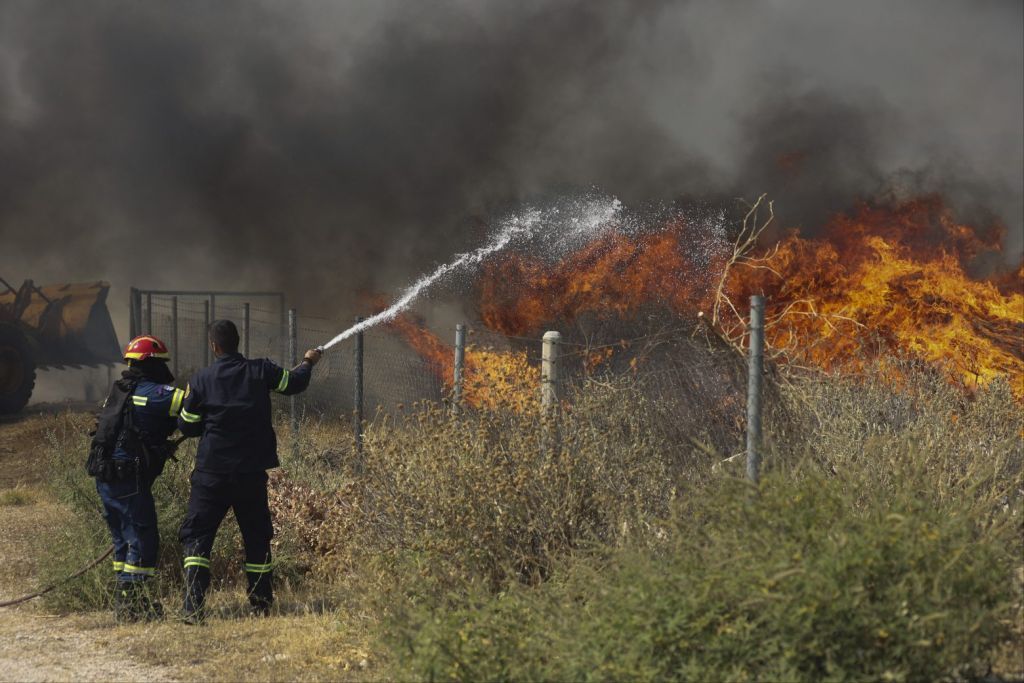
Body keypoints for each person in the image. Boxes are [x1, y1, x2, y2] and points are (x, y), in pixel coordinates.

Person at [177, 319, 321, 623]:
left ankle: (192, 608)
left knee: (198, 537)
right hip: (250, 474)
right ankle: (261, 605)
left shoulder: (201, 379)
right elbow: (295, 383)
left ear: (214, 346)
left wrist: (207, 423)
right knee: (256, 537)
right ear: (237, 342)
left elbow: (187, 425)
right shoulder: (260, 370)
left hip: (212, 474)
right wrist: (308, 362)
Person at [88, 335, 185, 621]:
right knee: (142, 539)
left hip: (105, 476)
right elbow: (192, 405)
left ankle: (125, 602)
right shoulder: (156, 392)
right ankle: (134, 608)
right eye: (161, 363)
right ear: (151, 363)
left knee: (123, 539)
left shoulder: (118, 392)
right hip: (128, 477)